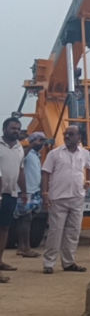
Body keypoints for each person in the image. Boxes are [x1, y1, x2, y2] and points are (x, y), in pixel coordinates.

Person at [41, 125, 90, 274]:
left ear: (79, 138)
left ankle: (69, 263)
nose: (67, 136)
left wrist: (88, 182)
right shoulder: (55, 154)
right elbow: (46, 173)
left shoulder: (84, 153)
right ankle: (49, 263)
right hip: (58, 197)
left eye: (71, 134)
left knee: (73, 231)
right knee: (55, 232)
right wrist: (45, 192)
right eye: (66, 134)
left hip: (77, 197)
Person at [0, 118, 28, 283]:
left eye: (18, 128)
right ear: (4, 129)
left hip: (11, 194)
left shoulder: (19, 149)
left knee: (4, 228)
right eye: (13, 128)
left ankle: (0, 260)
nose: (16, 131)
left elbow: (21, 171)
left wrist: (24, 191)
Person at [14, 131, 46, 258]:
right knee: (25, 219)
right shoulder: (26, 152)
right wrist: (31, 145)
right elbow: (20, 158)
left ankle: (22, 247)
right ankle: (26, 248)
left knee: (26, 219)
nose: (42, 143)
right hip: (26, 191)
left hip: (34, 190)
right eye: (40, 140)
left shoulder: (36, 155)